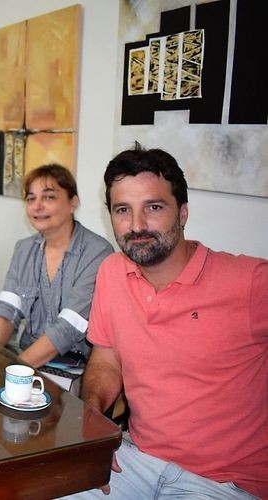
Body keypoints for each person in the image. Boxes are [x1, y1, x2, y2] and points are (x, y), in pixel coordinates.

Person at [69, 144, 267, 499]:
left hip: (223, 482)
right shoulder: (112, 272)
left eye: (154, 207)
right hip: (136, 458)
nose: (137, 225)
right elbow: (107, 359)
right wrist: (92, 425)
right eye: (123, 210)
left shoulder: (249, 282)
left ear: (183, 213)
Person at [0, 164, 114, 368]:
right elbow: (7, 310)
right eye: (31, 199)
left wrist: (15, 371)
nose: (37, 206)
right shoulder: (24, 249)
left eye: (48, 197)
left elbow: (68, 328)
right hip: (27, 356)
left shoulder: (97, 253)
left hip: (74, 367)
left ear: (73, 202)